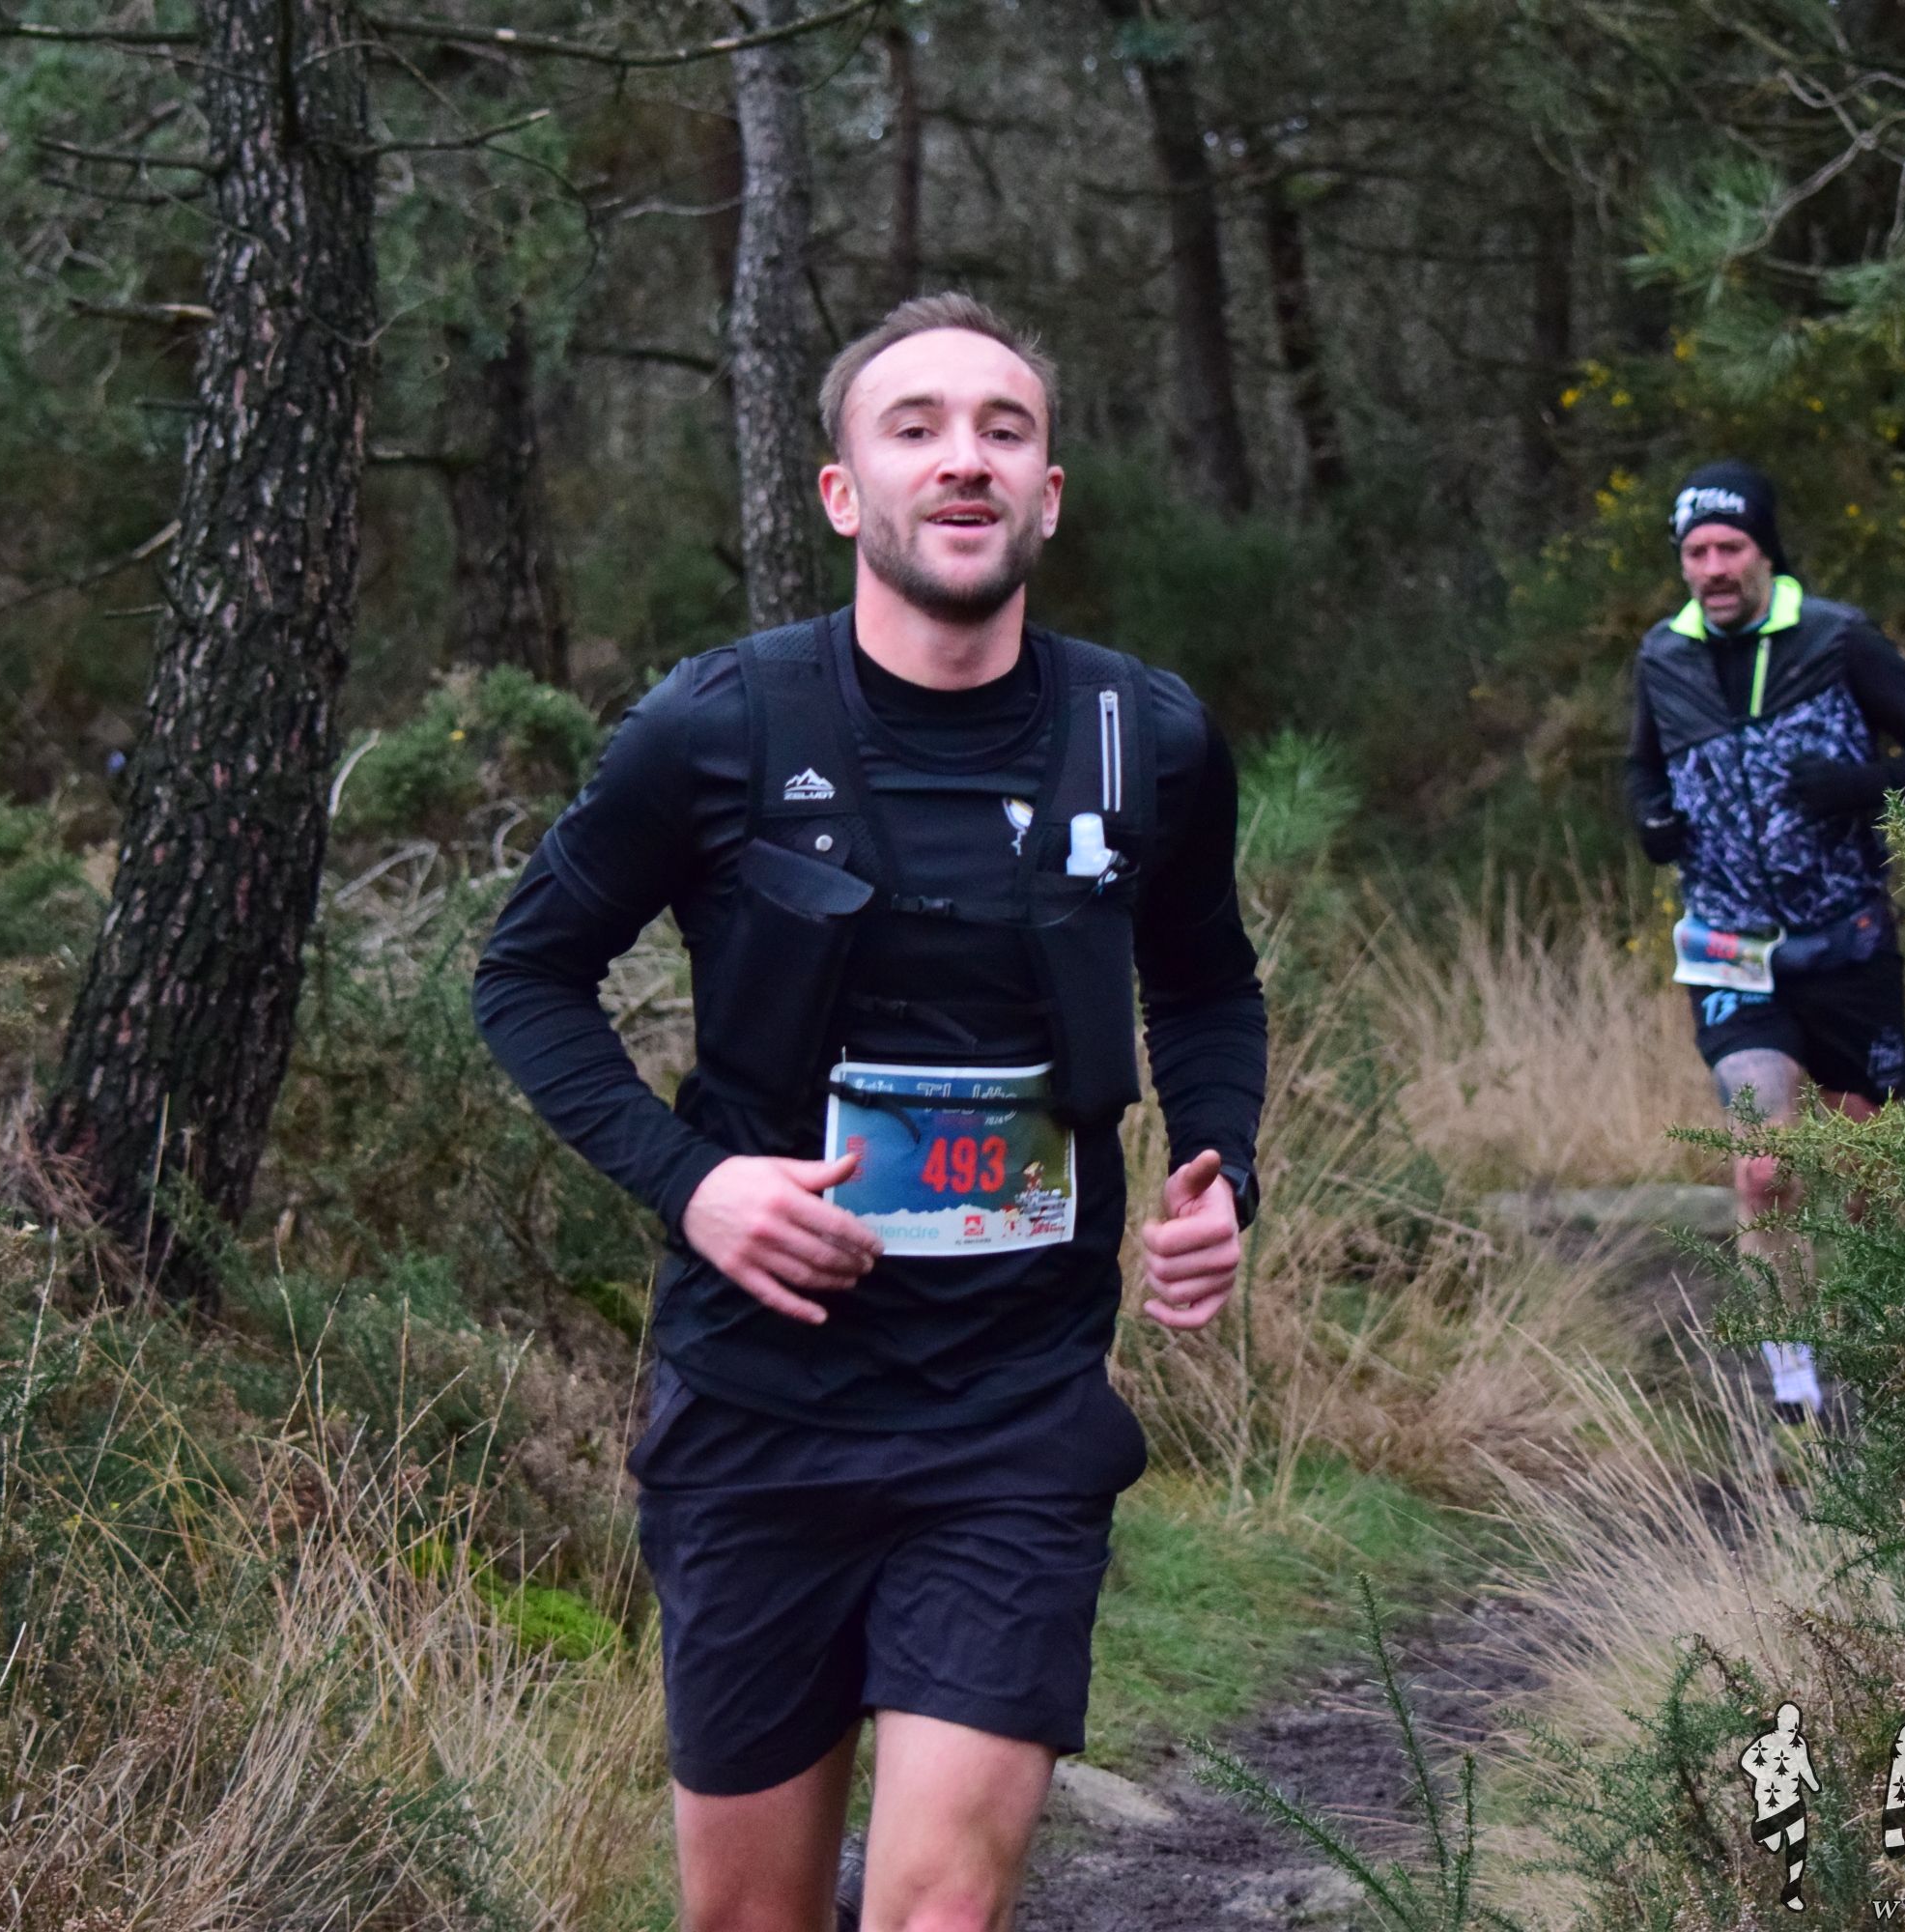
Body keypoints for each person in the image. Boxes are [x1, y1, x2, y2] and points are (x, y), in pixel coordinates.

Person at [473, 292, 1266, 1932]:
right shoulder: (717, 726)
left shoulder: (1147, 738)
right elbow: (525, 977)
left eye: (1003, 430)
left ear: (1049, 493)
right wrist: (695, 1186)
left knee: (935, 1914)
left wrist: (1220, 1169)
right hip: (758, 1405)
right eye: (915, 429)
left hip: (1015, 1408)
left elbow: (1205, 984)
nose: (963, 459)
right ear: (845, 492)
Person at [1624, 460, 1905, 1425]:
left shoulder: (1836, 636)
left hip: (1847, 942)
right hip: (1728, 949)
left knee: (1869, 1175)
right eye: (1695, 551)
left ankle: (1900, 1364)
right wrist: (1650, 818)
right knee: (1764, 1168)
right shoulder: (1662, 657)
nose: (1712, 567)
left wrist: (1857, 786)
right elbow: (1641, 769)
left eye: (1729, 547)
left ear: (1765, 551)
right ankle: (1793, 1382)